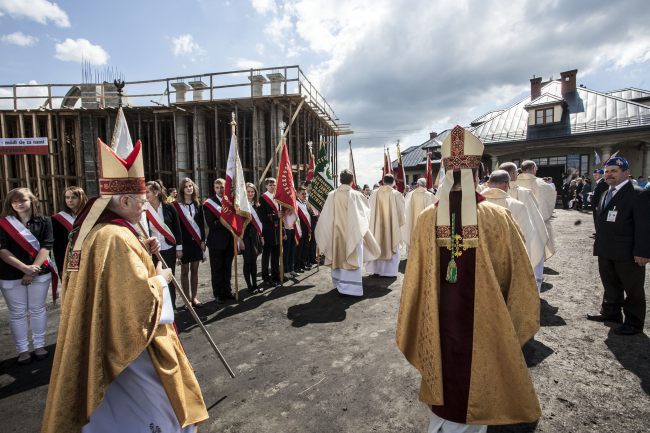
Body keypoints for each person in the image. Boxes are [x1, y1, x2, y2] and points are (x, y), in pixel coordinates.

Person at [41, 112, 208, 432]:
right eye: (142, 201)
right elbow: (138, 307)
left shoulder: (92, 231)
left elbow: (109, 283)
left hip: (103, 342)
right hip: (131, 353)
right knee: (159, 416)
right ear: (126, 199)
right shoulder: (116, 238)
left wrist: (143, 254)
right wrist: (161, 278)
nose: (146, 207)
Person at [396, 126, 540, 432]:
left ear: (446, 174)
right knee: (479, 381)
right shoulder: (497, 215)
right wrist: (510, 324)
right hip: (487, 322)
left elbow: (415, 281)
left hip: (438, 319)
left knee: (445, 381)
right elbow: (518, 275)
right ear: (477, 174)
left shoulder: (426, 220)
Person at [587, 156, 650, 335]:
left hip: (628, 252)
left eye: (614, 171)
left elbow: (645, 226)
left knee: (633, 289)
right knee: (610, 284)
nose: (609, 174)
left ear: (626, 172)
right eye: (607, 171)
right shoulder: (607, 192)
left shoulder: (638, 193)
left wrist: (643, 251)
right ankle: (611, 313)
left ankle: (634, 322)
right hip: (606, 249)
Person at [0, 188, 56, 365]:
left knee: (37, 309)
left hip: (39, 273)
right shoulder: (3, 223)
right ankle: (23, 350)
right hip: (11, 274)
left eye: (23, 200)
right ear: (10, 204)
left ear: (32, 200)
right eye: (15, 201)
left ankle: (39, 346)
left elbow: (47, 246)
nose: (19, 203)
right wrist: (25, 268)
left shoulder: (45, 221)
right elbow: (2, 250)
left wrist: (32, 270)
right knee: (17, 314)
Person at [315, 169, 380, 296]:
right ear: (352, 180)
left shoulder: (332, 195)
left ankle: (340, 284)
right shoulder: (357, 195)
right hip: (353, 234)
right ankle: (352, 289)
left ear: (340, 180)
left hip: (336, 235)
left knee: (338, 256)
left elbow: (325, 217)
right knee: (353, 256)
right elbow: (366, 215)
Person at [482, 170, 546, 286]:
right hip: (509, 265)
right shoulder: (517, 206)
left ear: (488, 183)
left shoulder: (472, 205)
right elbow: (527, 238)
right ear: (507, 185)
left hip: (481, 264)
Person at [501, 162, 552, 288]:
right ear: (513, 174)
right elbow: (537, 217)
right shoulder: (530, 190)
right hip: (523, 236)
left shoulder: (485, 193)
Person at [145, 180, 183, 309]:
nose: (145, 195)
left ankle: (171, 306)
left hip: (169, 248)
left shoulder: (169, 207)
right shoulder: (144, 209)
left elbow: (177, 229)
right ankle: (159, 307)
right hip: (152, 251)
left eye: (147, 192)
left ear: (156, 192)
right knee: (155, 278)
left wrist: (179, 248)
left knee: (168, 278)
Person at [173, 178, 206, 307]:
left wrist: (203, 240)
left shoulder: (198, 204)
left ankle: (194, 297)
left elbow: (202, 225)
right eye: (186, 186)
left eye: (191, 186)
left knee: (195, 270)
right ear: (182, 189)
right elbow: (176, 227)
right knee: (185, 271)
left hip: (197, 242)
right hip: (184, 242)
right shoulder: (176, 206)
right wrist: (178, 246)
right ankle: (187, 300)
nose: (189, 188)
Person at [513, 160, 557, 257]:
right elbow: (549, 197)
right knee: (535, 247)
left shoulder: (513, 181)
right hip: (535, 219)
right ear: (533, 169)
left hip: (517, 218)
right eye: (536, 168)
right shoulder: (540, 183)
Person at [366, 173, 406, 277]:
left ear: (383, 181)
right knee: (391, 243)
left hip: (377, 226)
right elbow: (402, 213)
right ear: (393, 182)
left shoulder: (374, 193)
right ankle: (389, 272)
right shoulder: (397, 194)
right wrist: (398, 223)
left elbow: (369, 210)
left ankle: (376, 270)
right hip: (391, 228)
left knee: (377, 243)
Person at [203, 178, 235, 304]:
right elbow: (212, 224)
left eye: (222, 187)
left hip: (229, 240)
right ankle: (218, 294)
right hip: (216, 242)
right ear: (214, 188)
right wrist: (226, 219)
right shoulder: (209, 203)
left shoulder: (230, 201)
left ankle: (227, 291)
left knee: (227, 268)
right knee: (217, 270)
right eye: (217, 187)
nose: (220, 190)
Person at [51, 186, 87, 273]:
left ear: (81, 198)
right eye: (67, 197)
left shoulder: (90, 216)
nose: (70, 200)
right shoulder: (57, 219)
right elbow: (58, 247)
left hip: (87, 256)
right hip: (68, 258)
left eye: (74, 197)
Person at [402, 177, 437, 255]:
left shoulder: (410, 194)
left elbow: (406, 210)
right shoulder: (429, 195)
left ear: (418, 184)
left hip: (413, 222)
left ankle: (412, 254)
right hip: (425, 222)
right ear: (425, 184)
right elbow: (433, 209)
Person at [259, 177, 281, 287]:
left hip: (277, 230)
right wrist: (276, 216)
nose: (272, 186)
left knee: (276, 255)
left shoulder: (277, 198)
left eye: (274, 184)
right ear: (266, 186)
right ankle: (265, 277)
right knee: (266, 255)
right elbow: (262, 216)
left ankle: (275, 276)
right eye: (270, 184)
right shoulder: (262, 198)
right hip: (267, 230)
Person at [241, 183, 263, 294]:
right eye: (248, 191)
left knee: (254, 261)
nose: (250, 194)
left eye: (252, 192)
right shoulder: (241, 205)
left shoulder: (257, 205)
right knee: (247, 261)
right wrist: (239, 240)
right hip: (244, 237)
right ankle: (249, 286)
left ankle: (255, 284)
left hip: (255, 236)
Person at [295, 186, 312, 273]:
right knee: (299, 249)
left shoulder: (305, 203)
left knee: (305, 248)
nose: (304, 195)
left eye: (305, 193)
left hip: (306, 228)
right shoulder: (296, 203)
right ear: (297, 194)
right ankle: (297, 266)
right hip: (300, 229)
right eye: (302, 193)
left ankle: (303, 264)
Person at [282, 206, 298, 279]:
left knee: (292, 250)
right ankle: (286, 271)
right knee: (286, 251)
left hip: (293, 227)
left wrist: (292, 209)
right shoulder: (282, 201)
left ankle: (291, 269)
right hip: (286, 228)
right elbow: (281, 215)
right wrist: (286, 211)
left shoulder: (293, 201)